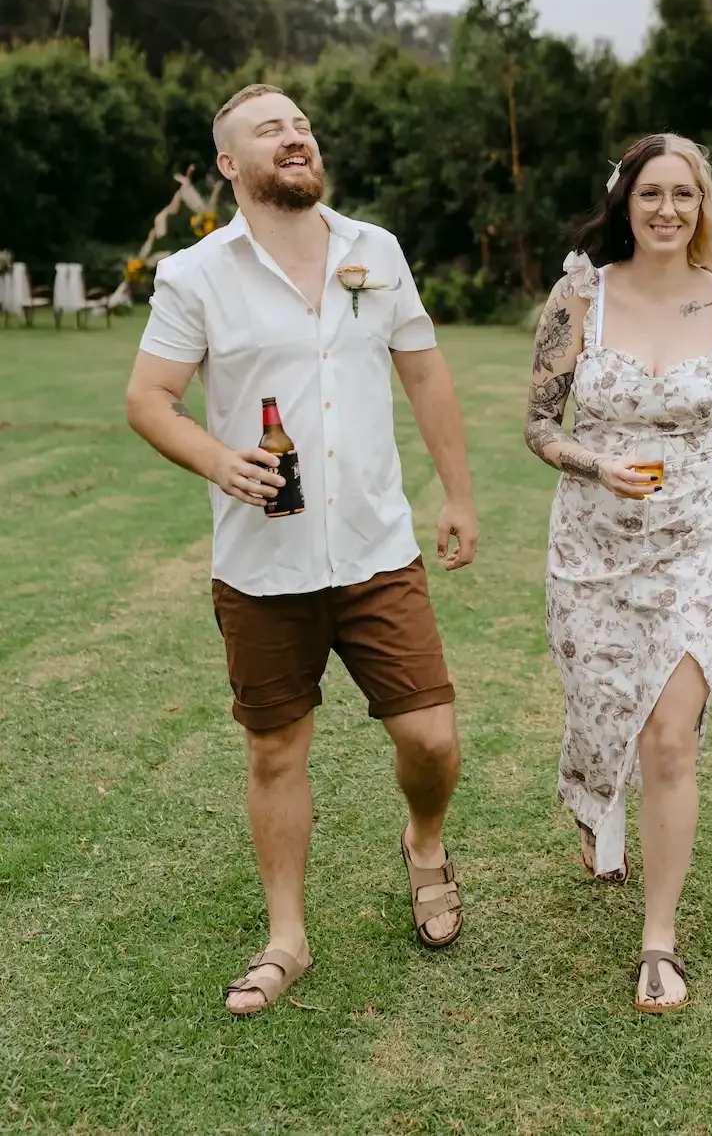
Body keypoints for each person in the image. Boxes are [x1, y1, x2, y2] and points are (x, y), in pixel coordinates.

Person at [125, 83, 478, 1016]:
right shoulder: (195, 275)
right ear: (229, 166)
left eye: (302, 126)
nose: (295, 137)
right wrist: (215, 457)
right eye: (269, 130)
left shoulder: (376, 251)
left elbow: (424, 369)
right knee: (277, 751)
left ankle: (425, 841)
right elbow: (148, 399)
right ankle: (288, 937)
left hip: (376, 546)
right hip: (262, 563)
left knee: (432, 738)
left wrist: (458, 490)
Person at [525, 133, 712, 1015]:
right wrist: (594, 465)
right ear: (625, 202)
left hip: (692, 538)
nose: (668, 210)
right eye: (651, 193)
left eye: (684, 195)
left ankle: (658, 939)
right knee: (599, 716)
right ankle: (590, 796)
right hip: (591, 543)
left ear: (704, 206)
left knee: (670, 739)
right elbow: (540, 425)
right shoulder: (579, 295)